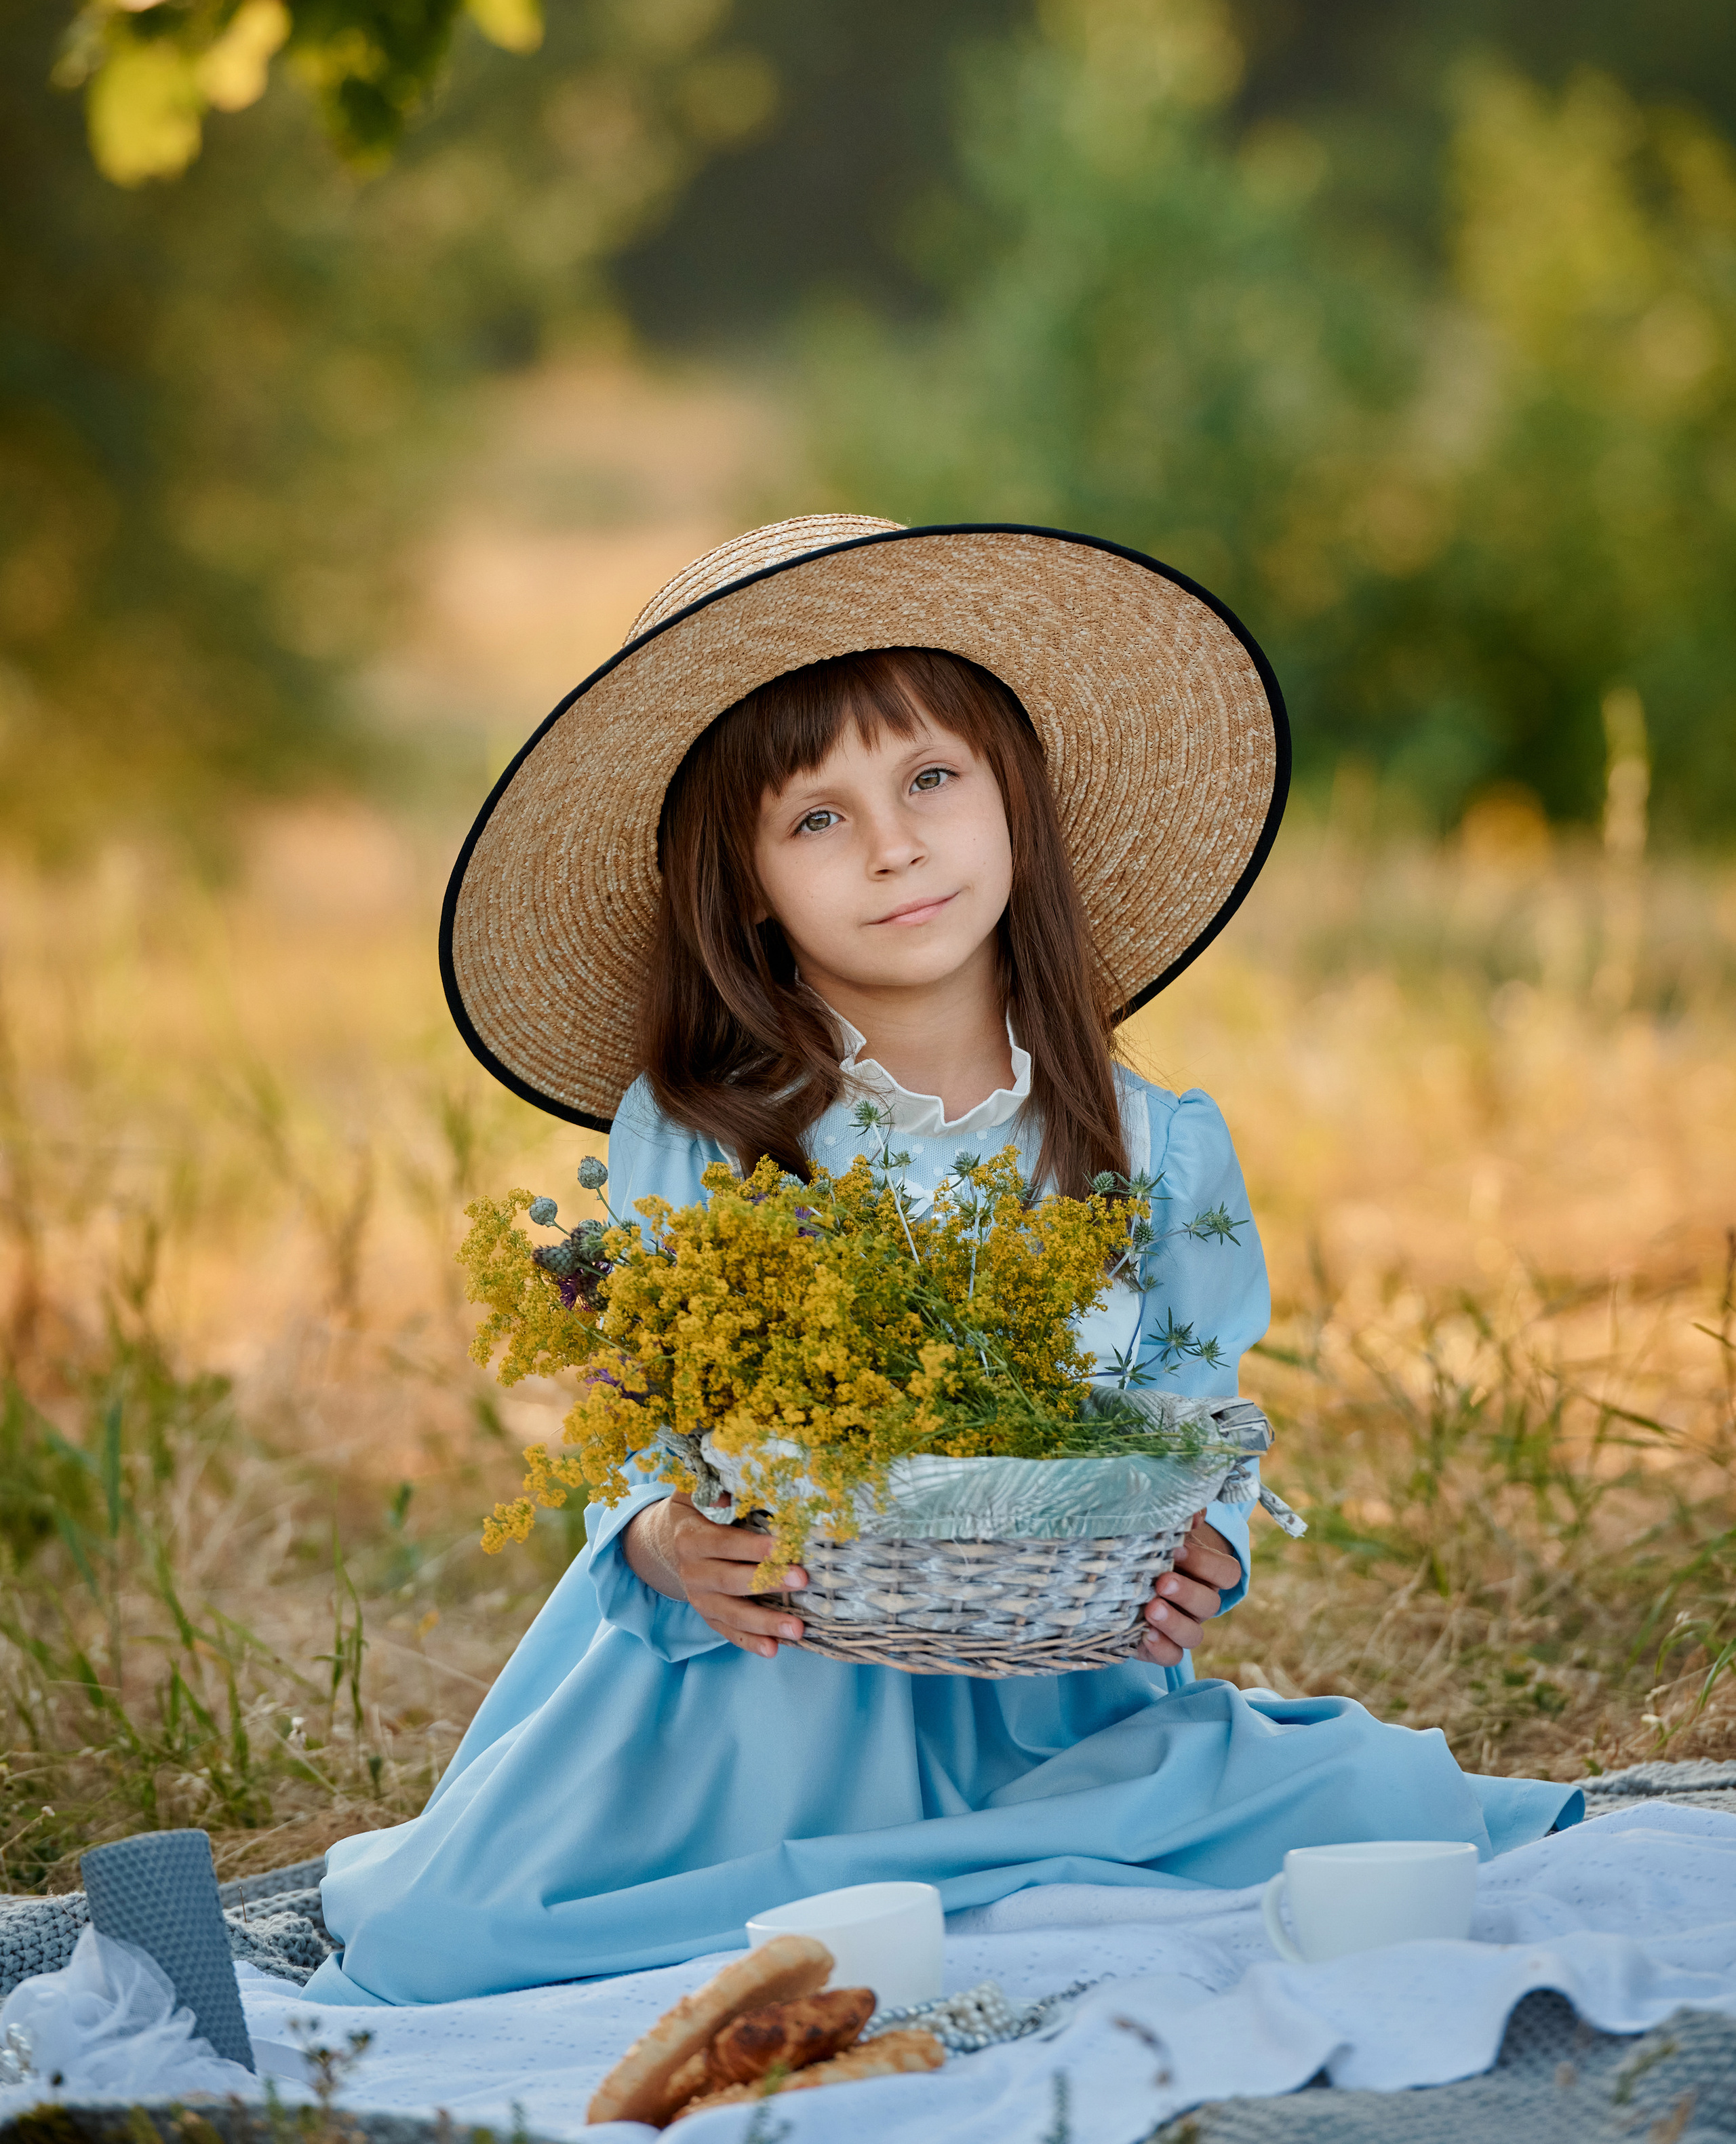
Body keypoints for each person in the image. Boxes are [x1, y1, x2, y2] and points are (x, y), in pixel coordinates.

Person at [308, 516, 1579, 2008]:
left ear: (1014, 805)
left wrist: (1206, 1547)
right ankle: (949, 1887)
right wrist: (662, 1542)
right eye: (815, 819)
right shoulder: (703, 1133)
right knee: (452, 1945)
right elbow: (641, 1420)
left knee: (1390, 1805)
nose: (893, 844)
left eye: (927, 781)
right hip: (768, 1701)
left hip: (1052, 1696)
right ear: (745, 887)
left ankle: (1009, 1865)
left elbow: (1192, 1391)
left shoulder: (1150, 1144)